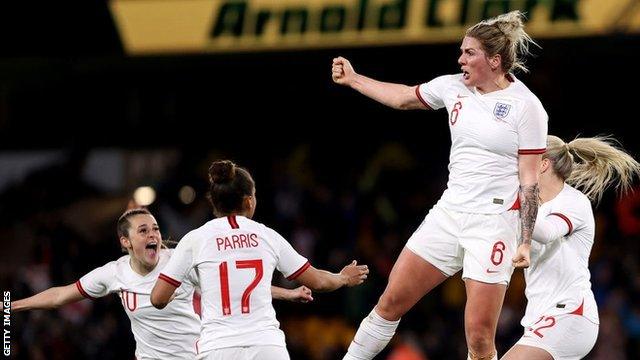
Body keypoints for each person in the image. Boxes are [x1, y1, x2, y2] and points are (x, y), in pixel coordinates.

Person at [331, 10, 548, 360]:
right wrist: (355, 80)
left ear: (494, 61)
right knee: (389, 302)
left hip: (493, 224)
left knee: (478, 339)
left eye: (469, 53)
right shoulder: (452, 87)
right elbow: (403, 97)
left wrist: (524, 241)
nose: (460, 59)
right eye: (461, 51)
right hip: (449, 214)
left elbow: (529, 181)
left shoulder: (527, 108)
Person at [11, 207, 314, 360]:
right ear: (125, 241)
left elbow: (233, 284)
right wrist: (12, 305)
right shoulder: (112, 274)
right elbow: (61, 295)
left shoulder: (179, 261)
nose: (153, 235)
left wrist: (287, 294)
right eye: (143, 230)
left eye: (155, 228)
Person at [150, 159, 369, 360]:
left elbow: (158, 298)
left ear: (214, 202)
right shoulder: (267, 236)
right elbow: (318, 281)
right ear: (249, 201)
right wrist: (342, 278)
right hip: (266, 346)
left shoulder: (195, 239)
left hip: (218, 348)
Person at [501, 135, 640, 360]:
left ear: (543, 164)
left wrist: (507, 203)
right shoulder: (534, 207)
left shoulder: (573, 202)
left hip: (570, 313)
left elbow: (546, 232)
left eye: (523, 159)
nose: (517, 167)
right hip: (539, 318)